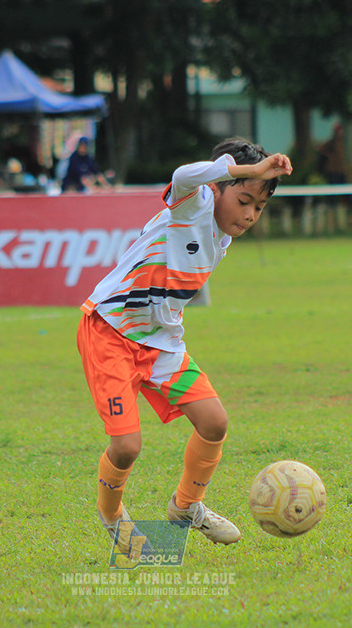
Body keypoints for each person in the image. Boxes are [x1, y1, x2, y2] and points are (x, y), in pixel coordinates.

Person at [77, 137, 292, 552]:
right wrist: (249, 170)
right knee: (126, 447)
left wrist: (252, 180)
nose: (249, 215)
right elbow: (183, 175)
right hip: (110, 332)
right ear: (216, 189)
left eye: (259, 208)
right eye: (244, 200)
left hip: (161, 343)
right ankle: (112, 514)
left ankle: (186, 506)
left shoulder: (222, 237)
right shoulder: (193, 204)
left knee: (215, 422)